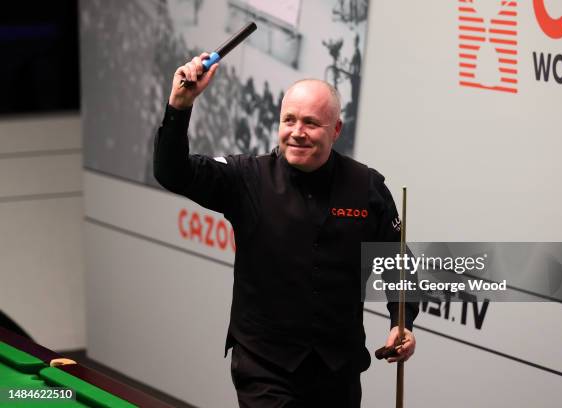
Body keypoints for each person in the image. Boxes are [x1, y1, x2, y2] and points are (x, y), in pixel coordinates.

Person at [154, 53, 418, 407]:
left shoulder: (367, 187)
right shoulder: (246, 177)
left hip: (338, 371)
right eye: (289, 120)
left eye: (311, 123)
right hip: (265, 367)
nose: (297, 132)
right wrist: (179, 107)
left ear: (336, 129)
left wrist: (402, 322)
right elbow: (173, 173)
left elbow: (398, 262)